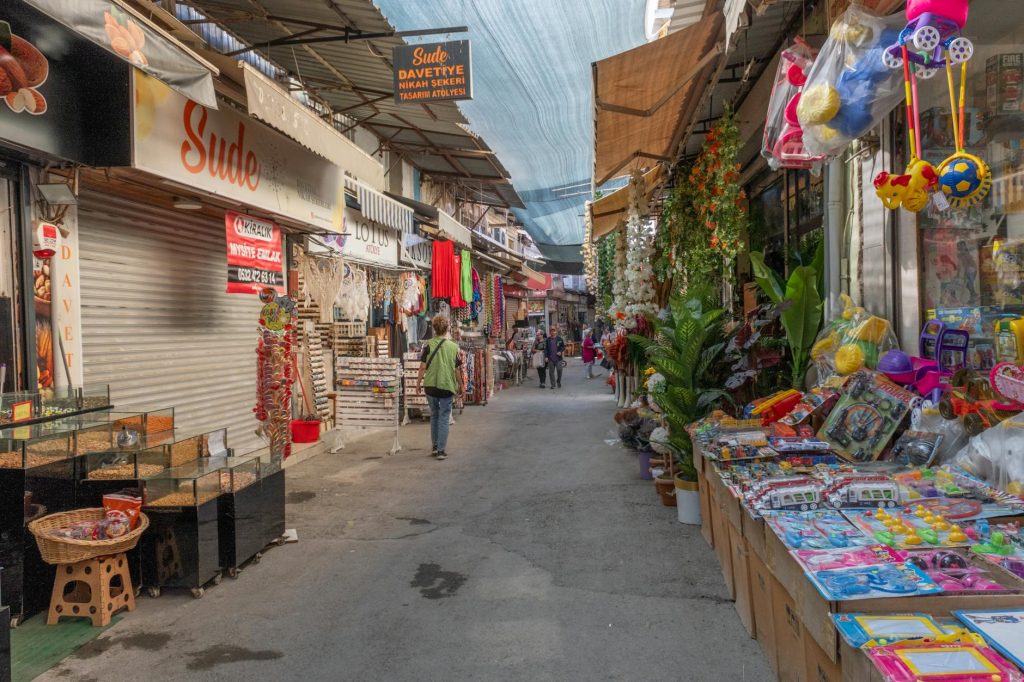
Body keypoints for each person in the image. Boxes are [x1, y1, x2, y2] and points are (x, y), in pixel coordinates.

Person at [416, 314, 463, 460]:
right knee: (444, 417)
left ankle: (435, 446)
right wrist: (461, 386)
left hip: (430, 385)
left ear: (434, 329)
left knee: (434, 415)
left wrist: (418, 383)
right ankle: (441, 450)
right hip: (446, 386)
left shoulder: (428, 345)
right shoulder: (454, 347)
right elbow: (457, 370)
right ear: (447, 328)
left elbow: (422, 367)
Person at [546, 324, 566, 389]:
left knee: (559, 370)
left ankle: (558, 381)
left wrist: (560, 351)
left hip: (558, 358)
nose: (552, 332)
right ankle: (553, 384)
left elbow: (563, 347)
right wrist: (546, 357)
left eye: (553, 330)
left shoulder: (560, 339)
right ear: (550, 332)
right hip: (550, 358)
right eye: (551, 331)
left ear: (556, 331)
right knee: (551, 372)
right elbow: (546, 349)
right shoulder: (548, 340)